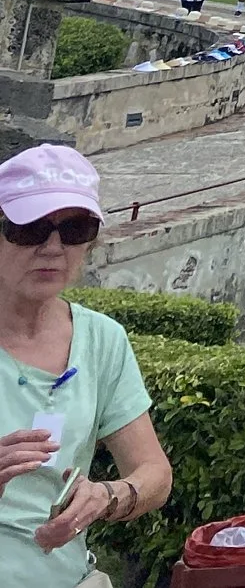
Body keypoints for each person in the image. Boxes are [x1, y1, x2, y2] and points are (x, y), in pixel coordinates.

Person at [0, 144, 171, 588]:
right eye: (31, 229)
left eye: (75, 229)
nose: (53, 247)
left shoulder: (101, 339)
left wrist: (107, 496)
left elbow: (154, 473)